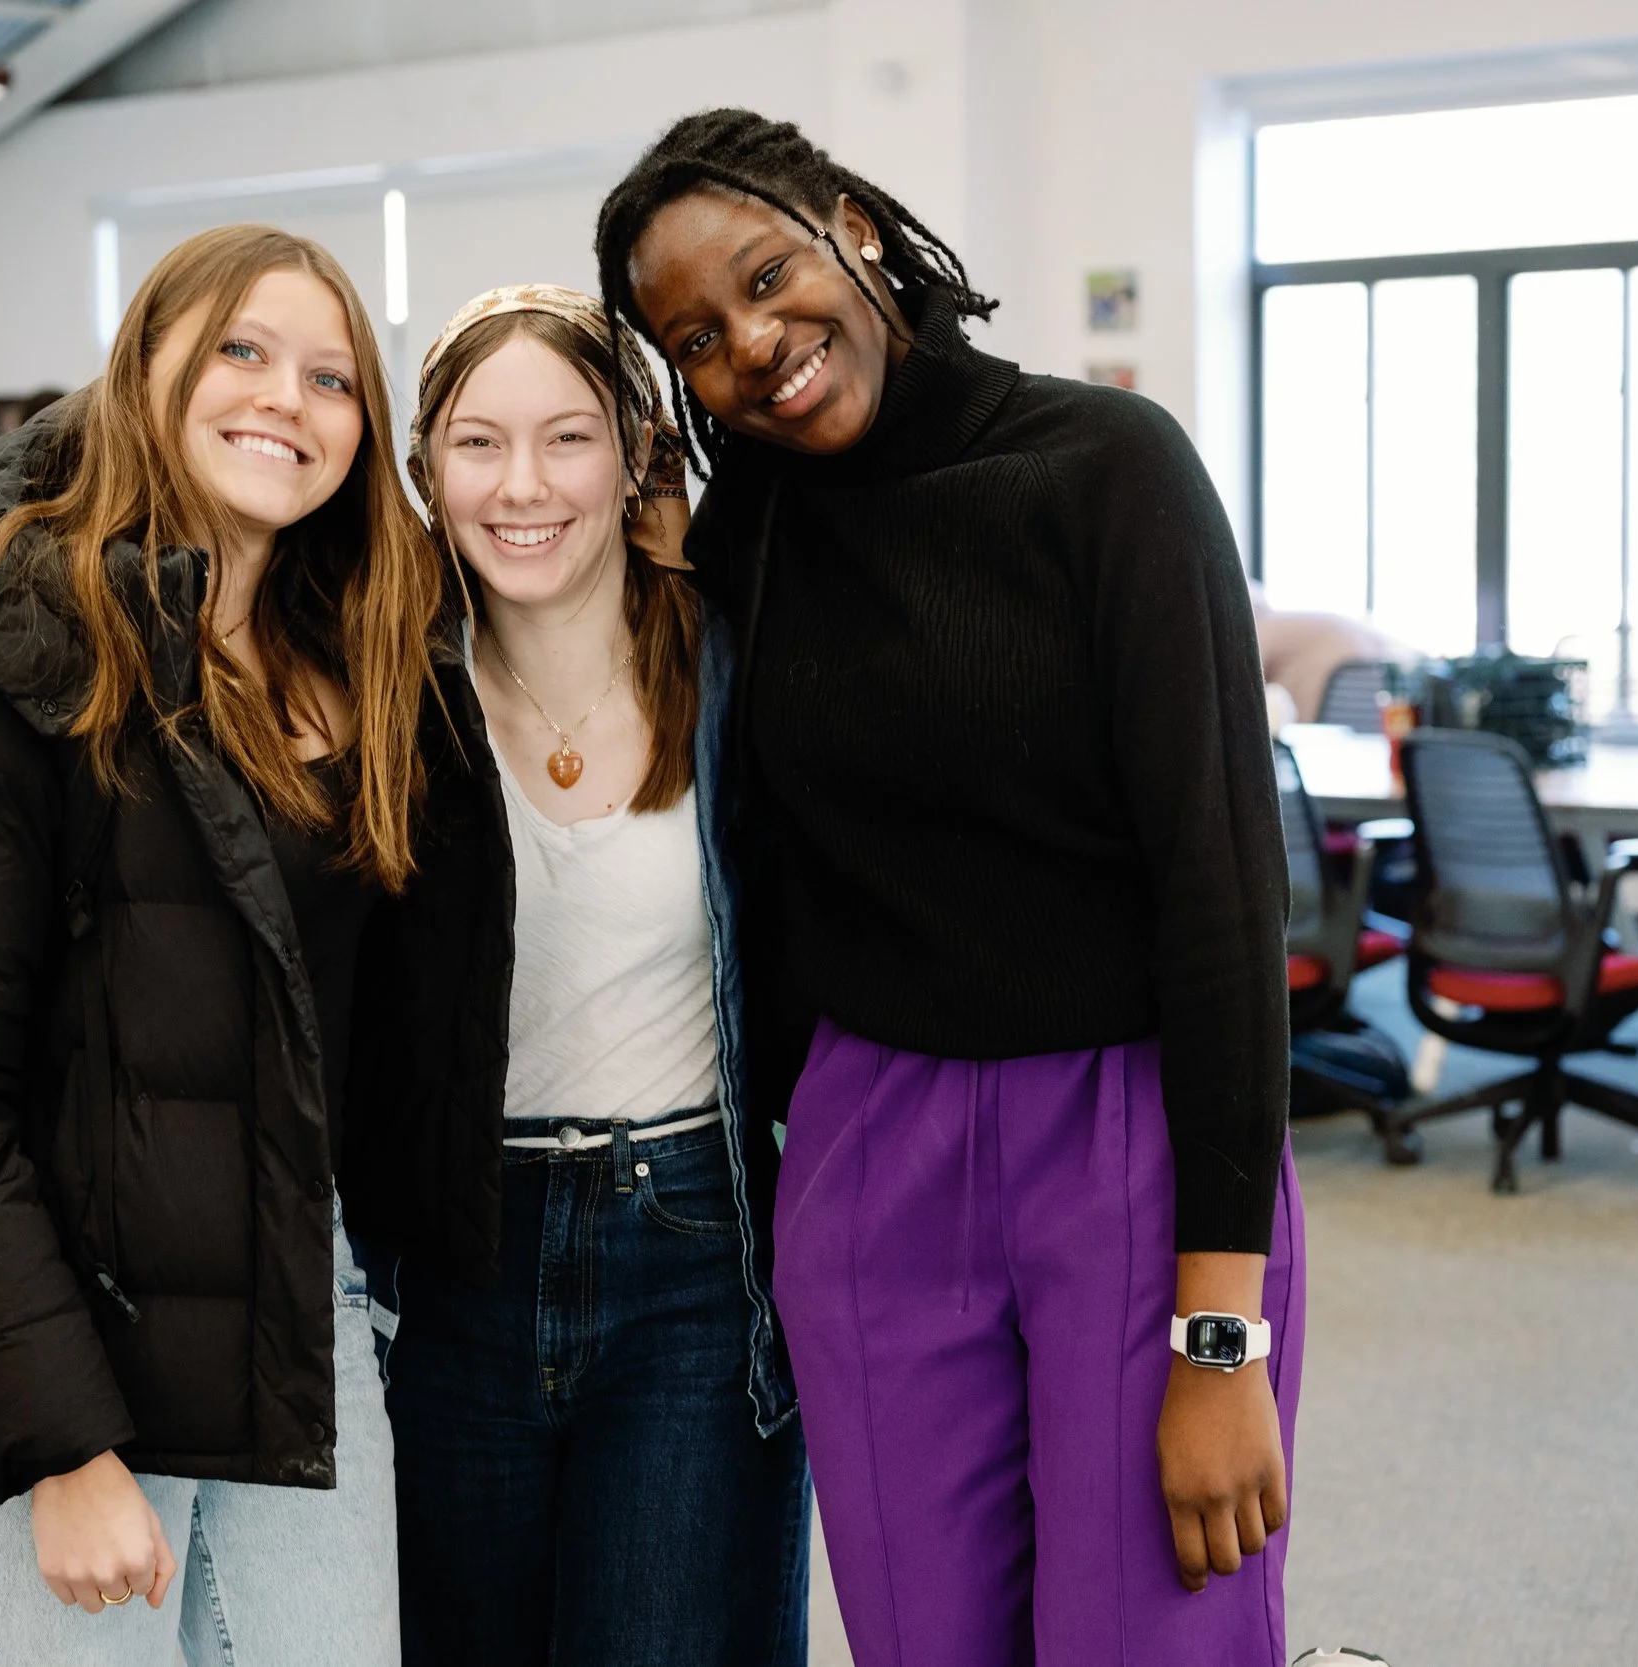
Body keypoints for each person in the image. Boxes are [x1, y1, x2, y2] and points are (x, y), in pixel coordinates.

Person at [596, 111, 1302, 1667]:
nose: (756, 346)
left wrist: (1221, 1329)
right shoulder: (753, 530)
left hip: (1122, 1130)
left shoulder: (1105, 469)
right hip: (868, 1146)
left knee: (1150, 1636)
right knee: (921, 1636)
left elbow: (1224, 897)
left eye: (770, 275)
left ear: (852, 225)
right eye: (697, 339)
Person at [0, 224, 435, 1667]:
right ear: (143, 367)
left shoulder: (361, 669)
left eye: (333, 378)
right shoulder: (10, 680)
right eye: (242, 349)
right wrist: (59, 1447)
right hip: (76, 1338)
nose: (287, 399)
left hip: (301, 1315)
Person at [346, 286, 809, 1665]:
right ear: (427, 468)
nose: (525, 485)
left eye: (569, 436)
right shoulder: (373, 681)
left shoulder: (737, 659)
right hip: (447, 1255)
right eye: (479, 444)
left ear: (636, 449)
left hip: (689, 1248)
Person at [1246, 580, 1415, 724]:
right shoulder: (1299, 623)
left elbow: (1240, 683)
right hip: (1380, 725)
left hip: (1320, 731)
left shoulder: (1261, 629)